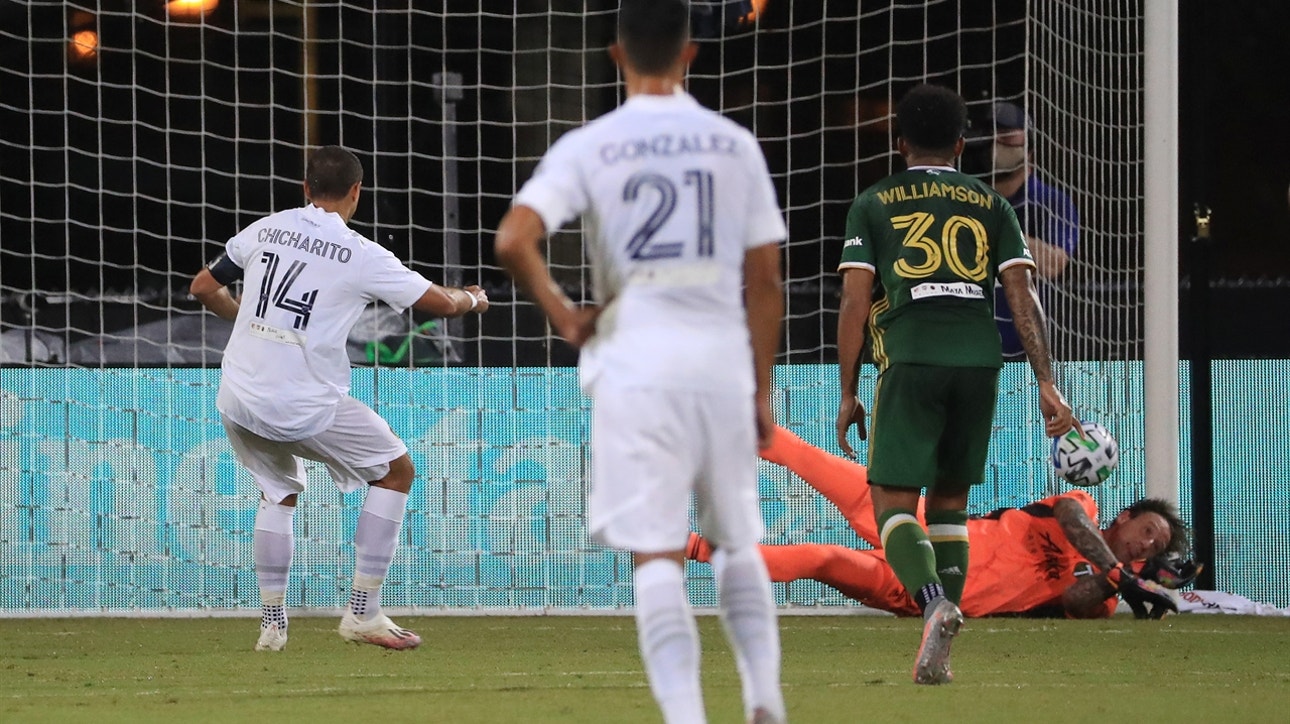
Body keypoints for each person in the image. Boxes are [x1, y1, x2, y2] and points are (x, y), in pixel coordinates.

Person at [493, 2, 788, 721]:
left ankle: (686, 715)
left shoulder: (591, 144)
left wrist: (565, 314)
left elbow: (511, 239)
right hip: (719, 359)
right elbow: (767, 282)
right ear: (690, 53)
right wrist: (761, 388)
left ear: (616, 55)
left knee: (656, 554)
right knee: (737, 542)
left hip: (636, 362)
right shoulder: (732, 143)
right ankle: (764, 699)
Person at [189, 145, 490, 652]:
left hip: (238, 395)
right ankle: (362, 613)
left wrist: (246, 319)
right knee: (397, 470)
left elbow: (202, 286)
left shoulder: (264, 229)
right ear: (356, 193)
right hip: (300, 403)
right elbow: (439, 304)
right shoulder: (361, 253)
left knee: (278, 494)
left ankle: (272, 623)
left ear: (305, 189)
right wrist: (473, 298)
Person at [835, 83, 1079, 685]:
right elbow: (1024, 297)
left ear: (899, 143)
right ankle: (941, 631)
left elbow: (853, 298)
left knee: (893, 500)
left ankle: (931, 603)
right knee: (949, 505)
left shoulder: (874, 201)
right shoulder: (992, 205)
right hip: (980, 360)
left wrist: (847, 389)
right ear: (963, 144)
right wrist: (1046, 381)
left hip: (913, 358)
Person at [687, 426, 1188, 620]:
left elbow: (1073, 603)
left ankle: (687, 547)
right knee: (805, 456)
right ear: (1124, 516)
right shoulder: (1082, 507)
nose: (1146, 545)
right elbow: (1072, 520)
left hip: (928, 592)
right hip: (923, 523)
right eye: (1149, 531)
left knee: (821, 558)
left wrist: (1119, 582)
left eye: (1154, 547)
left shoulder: (1098, 596)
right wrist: (1121, 573)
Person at [963, 100, 1080, 360]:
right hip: (970, 349)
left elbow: (1053, 263)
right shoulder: (965, 199)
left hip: (1030, 353)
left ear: (1030, 151)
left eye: (1005, 135)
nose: (995, 142)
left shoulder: (1051, 201)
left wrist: (996, 226)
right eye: (989, 133)